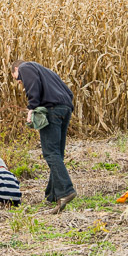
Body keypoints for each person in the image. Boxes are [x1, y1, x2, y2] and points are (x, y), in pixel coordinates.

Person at [11, 59, 76, 213]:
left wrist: (31, 108)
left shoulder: (25, 67)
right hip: (65, 109)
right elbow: (69, 93)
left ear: (16, 69)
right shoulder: (48, 72)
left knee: (50, 153)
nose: (20, 82)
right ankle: (52, 195)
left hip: (52, 110)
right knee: (57, 154)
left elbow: (33, 86)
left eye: (17, 78)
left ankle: (66, 191)